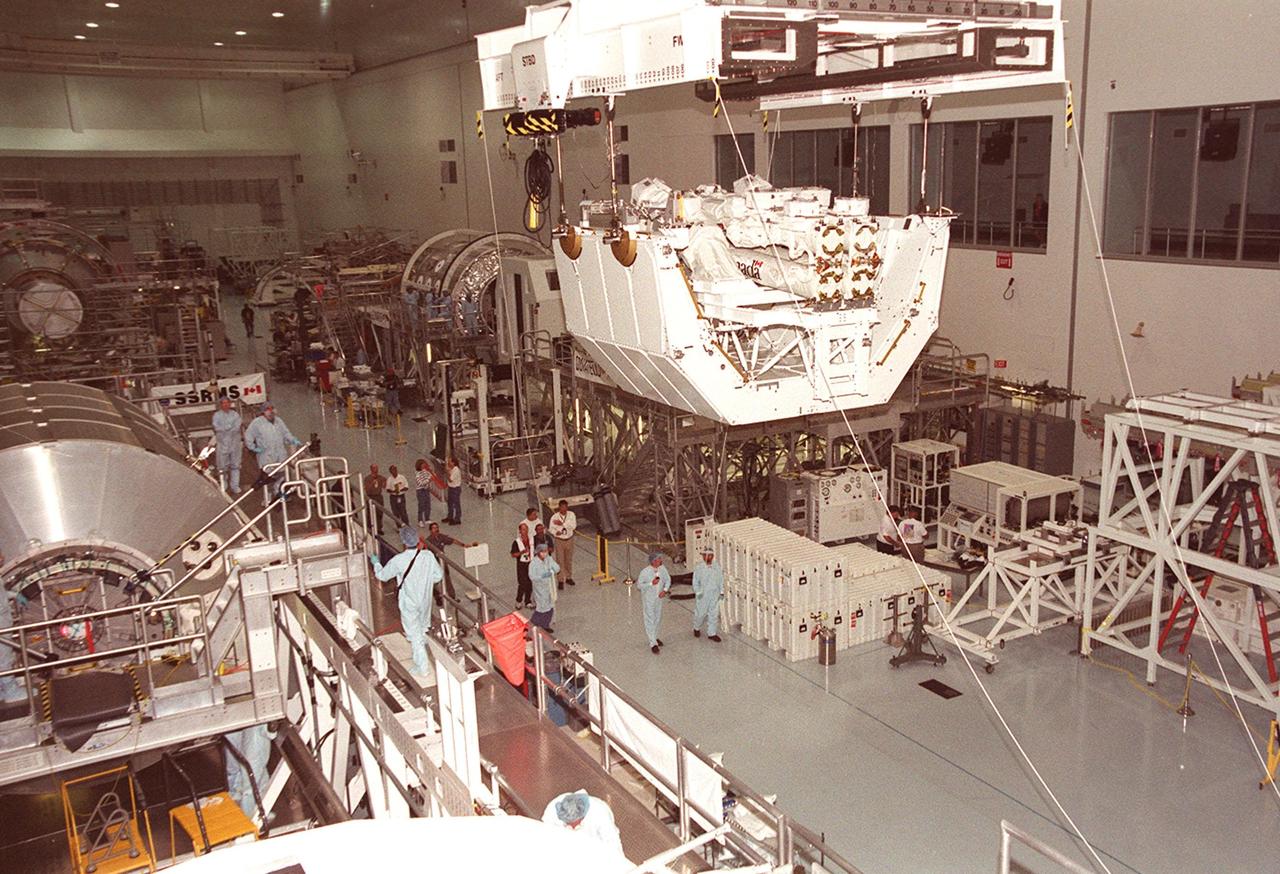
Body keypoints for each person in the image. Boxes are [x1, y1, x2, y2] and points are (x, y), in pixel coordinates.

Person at [370, 525, 443, 677]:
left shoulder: (399, 560)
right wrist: (424, 583)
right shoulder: (428, 556)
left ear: (403, 541)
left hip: (409, 602)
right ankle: (421, 653)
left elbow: (382, 576)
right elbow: (438, 576)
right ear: (417, 540)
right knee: (422, 629)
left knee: (414, 634)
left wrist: (376, 563)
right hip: (425, 600)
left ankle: (422, 667)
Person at [243, 401, 302, 497]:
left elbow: (286, 433)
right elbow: (248, 435)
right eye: (267, 410)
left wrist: (293, 440)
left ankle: (278, 493)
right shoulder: (257, 423)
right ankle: (268, 498)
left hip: (280, 454)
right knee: (268, 478)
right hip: (266, 456)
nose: (270, 412)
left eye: (272, 409)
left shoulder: (279, 421)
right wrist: (253, 448)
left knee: (282, 475)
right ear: (263, 412)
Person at [541, 790, 624, 859]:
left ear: (583, 815)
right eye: (568, 824)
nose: (573, 828)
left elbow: (613, 843)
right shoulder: (551, 811)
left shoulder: (600, 814)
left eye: (575, 824)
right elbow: (546, 836)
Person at [224, 724, 271, 817]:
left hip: (251, 722)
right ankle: (246, 812)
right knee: (242, 766)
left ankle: (247, 811)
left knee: (247, 769)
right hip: (243, 721)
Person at [636, 552, 671, 654]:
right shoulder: (645, 572)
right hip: (649, 600)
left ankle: (655, 637)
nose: (661, 561)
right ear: (654, 561)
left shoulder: (662, 569)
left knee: (657, 618)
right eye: (659, 559)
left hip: (658, 599)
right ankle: (653, 643)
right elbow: (639, 585)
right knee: (650, 619)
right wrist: (651, 583)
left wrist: (665, 590)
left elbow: (668, 579)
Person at [210, 397, 244, 495]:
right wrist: (228, 428)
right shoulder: (217, 415)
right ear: (221, 405)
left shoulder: (235, 415)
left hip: (235, 444)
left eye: (227, 403)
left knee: (235, 465)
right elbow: (217, 427)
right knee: (222, 466)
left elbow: (237, 426)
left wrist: (227, 429)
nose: (225, 405)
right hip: (222, 444)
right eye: (223, 403)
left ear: (230, 404)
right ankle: (223, 484)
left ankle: (235, 486)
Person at [691, 547, 724, 642]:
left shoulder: (717, 567)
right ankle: (696, 627)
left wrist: (721, 591)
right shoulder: (699, 568)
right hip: (703, 595)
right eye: (706, 555)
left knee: (713, 614)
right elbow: (695, 582)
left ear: (712, 556)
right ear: (703, 556)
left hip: (714, 594)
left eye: (710, 555)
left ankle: (712, 633)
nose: (708, 557)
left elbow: (720, 579)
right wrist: (698, 592)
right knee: (701, 613)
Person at [528, 542, 560, 633]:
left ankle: (545, 625)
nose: (545, 553)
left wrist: (552, 571)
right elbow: (532, 576)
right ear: (538, 552)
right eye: (543, 551)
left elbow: (557, 568)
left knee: (550, 607)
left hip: (550, 587)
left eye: (546, 551)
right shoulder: (533, 563)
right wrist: (542, 576)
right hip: (540, 589)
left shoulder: (548, 559)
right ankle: (530, 626)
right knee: (541, 609)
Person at [549, 499, 577, 589]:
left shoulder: (571, 515)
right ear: (559, 507)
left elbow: (573, 526)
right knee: (560, 561)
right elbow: (551, 528)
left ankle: (568, 577)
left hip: (569, 540)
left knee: (568, 560)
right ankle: (560, 580)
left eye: (565, 507)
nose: (564, 509)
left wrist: (563, 524)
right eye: (562, 507)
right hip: (559, 540)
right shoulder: (554, 517)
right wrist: (555, 533)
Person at [364, 464, 387, 537]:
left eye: (377, 468)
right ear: (371, 469)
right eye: (374, 468)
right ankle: (370, 528)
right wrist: (372, 483)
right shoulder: (367, 478)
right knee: (370, 513)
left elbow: (385, 485)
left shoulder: (380, 477)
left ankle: (379, 528)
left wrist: (385, 482)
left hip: (378, 496)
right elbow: (367, 489)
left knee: (379, 513)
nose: (376, 470)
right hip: (371, 496)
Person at [444, 456, 463, 524]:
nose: (448, 463)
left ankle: (457, 519)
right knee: (450, 503)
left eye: (449, 462)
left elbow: (450, 479)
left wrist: (447, 472)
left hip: (455, 489)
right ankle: (450, 516)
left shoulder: (456, 470)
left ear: (453, 463)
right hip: (451, 488)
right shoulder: (451, 469)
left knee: (456, 504)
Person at [414, 458, 433, 523]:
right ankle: (420, 520)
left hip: (426, 489)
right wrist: (428, 480)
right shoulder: (417, 473)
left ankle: (427, 518)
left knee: (428, 504)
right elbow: (420, 483)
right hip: (420, 490)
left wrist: (430, 474)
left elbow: (430, 476)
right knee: (421, 505)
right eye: (422, 464)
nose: (424, 465)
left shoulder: (425, 471)